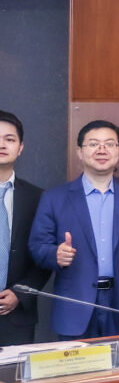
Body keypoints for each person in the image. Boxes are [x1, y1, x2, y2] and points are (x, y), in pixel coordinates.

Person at [28, 121, 119, 339]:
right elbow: (37, 246)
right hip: (76, 307)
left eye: (110, 144)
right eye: (93, 144)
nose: (102, 150)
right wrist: (56, 254)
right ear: (80, 152)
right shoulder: (54, 198)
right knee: (80, 373)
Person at [0, 110, 49, 346]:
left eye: (9, 139)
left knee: (14, 382)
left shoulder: (37, 197)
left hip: (16, 316)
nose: (2, 144)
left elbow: (43, 256)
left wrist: (20, 293)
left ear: (20, 147)